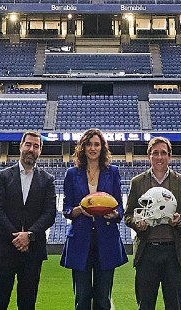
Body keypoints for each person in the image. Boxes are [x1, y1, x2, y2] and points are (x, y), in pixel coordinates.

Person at [124, 136, 181, 310]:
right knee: (145, 304)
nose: (159, 157)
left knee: (174, 305)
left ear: (170, 156)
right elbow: (128, 215)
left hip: (173, 251)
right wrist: (136, 223)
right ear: (149, 155)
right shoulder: (137, 182)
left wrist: (180, 219)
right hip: (147, 251)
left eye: (163, 153)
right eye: (155, 153)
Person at [61, 128, 128, 310]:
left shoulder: (112, 172)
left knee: (103, 298)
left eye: (96, 144)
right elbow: (66, 209)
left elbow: (120, 207)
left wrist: (114, 214)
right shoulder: (72, 173)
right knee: (82, 297)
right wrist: (79, 210)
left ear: (102, 148)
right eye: (89, 144)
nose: (92, 148)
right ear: (82, 148)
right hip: (80, 241)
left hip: (106, 240)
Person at [0, 131, 57, 310]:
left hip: (33, 252)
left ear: (40, 151)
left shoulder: (47, 180)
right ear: (20, 146)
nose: (31, 149)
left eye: (36, 146)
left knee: (27, 304)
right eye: (28, 144)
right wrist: (17, 237)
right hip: (5, 249)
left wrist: (30, 235)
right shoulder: (3, 176)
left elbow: (49, 214)